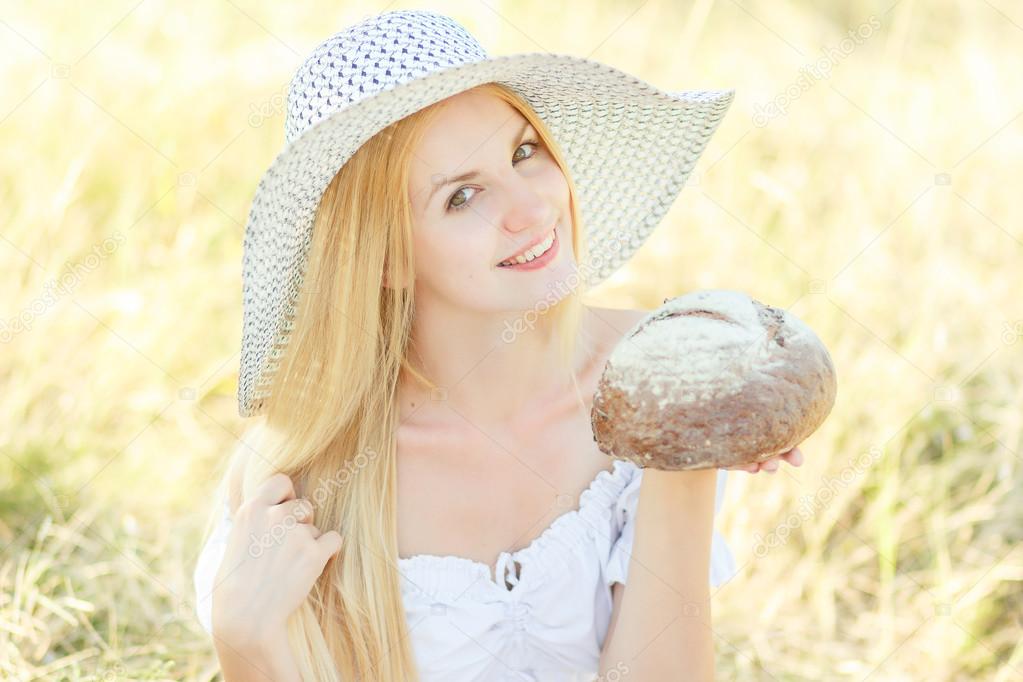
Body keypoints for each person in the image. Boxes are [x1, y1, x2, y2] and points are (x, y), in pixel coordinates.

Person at [192, 9, 803, 681]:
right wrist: (246, 646)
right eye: (461, 197)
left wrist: (680, 452)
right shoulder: (312, 478)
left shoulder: (652, 376)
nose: (531, 208)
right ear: (387, 259)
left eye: (522, 153)